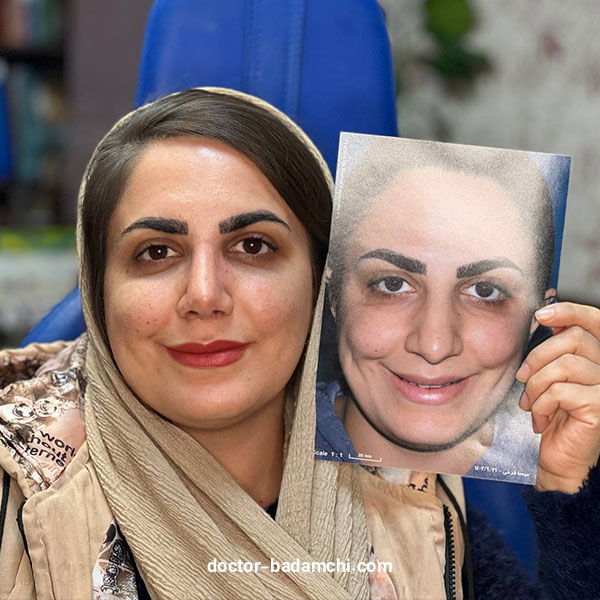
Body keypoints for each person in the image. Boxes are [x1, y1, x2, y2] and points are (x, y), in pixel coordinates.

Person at [0, 89, 598, 600]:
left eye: (253, 246)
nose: (204, 295)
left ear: (320, 285)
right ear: (98, 289)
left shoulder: (415, 488)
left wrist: (570, 486)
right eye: (156, 252)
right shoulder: (15, 498)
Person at [317, 136, 563, 482]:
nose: (434, 345)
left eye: (485, 291)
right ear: (333, 295)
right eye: (392, 284)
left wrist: (571, 490)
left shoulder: (564, 476)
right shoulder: (262, 454)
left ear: (539, 318)